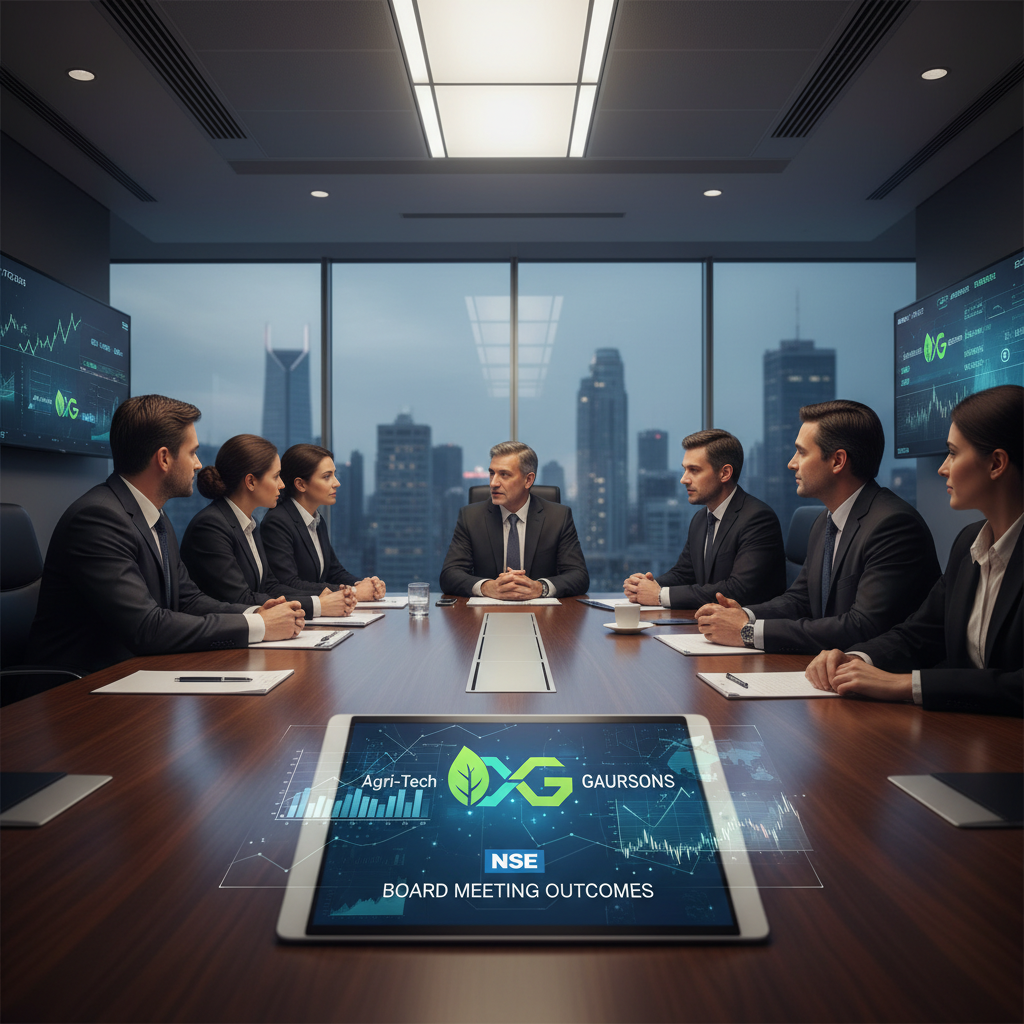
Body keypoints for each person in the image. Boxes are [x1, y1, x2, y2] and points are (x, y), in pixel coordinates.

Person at [29, 395, 304, 674]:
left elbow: (188, 600)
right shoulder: (98, 519)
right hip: (78, 691)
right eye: (192, 453)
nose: (198, 464)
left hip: (134, 678)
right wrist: (259, 626)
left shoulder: (155, 516)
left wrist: (257, 613)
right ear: (164, 458)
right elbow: (146, 627)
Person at [806, 385, 1022, 715]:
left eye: (952, 452)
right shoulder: (969, 543)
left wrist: (905, 684)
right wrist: (857, 659)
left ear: (996, 463)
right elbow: (920, 633)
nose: (942, 468)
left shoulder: (896, 522)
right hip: (968, 735)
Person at [695, 399, 941, 653]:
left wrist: (748, 632)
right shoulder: (825, 521)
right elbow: (801, 599)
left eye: (801, 452)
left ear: (837, 461)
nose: (792, 463)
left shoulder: (893, 526)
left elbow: (862, 626)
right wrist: (743, 614)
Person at [180, 435, 357, 617]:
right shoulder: (210, 526)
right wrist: (318, 604)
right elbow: (239, 598)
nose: (281, 485)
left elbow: (270, 586)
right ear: (250, 482)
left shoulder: (250, 524)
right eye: (276, 477)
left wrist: (324, 597)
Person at [622, 429, 786, 609]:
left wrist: (660, 596)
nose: (684, 479)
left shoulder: (758, 519)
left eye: (694, 470)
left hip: (747, 630)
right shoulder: (701, 519)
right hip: (707, 624)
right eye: (685, 469)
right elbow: (683, 574)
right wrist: (645, 586)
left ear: (725, 473)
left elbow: (739, 589)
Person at [440, 441, 589, 599]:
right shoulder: (471, 517)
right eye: (492, 473)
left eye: (504, 474)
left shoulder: (558, 517)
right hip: (486, 613)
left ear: (528, 480)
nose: (493, 483)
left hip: (543, 616)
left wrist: (540, 587)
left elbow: (579, 576)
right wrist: (486, 587)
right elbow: (449, 575)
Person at [261, 444, 385, 603]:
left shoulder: (316, 520)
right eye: (327, 476)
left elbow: (334, 572)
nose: (336, 483)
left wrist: (365, 584)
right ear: (301, 484)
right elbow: (288, 584)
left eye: (334, 475)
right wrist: (353, 592)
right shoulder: (277, 522)